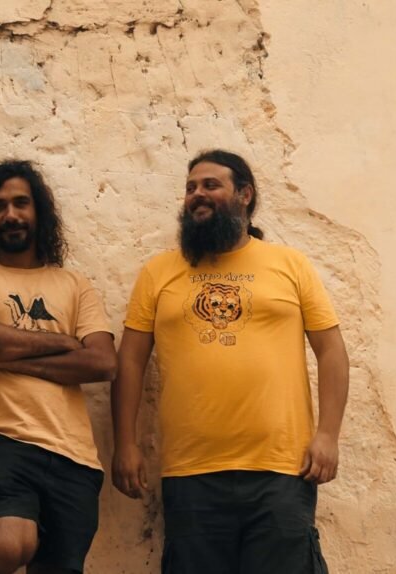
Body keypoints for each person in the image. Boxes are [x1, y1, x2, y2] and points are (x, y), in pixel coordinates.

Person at [112, 149, 350, 573]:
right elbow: (130, 361)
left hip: (282, 470)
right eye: (190, 188)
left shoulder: (289, 264)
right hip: (190, 473)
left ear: (245, 194)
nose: (197, 195)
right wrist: (125, 444)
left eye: (210, 185)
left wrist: (328, 435)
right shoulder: (158, 272)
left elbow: (331, 350)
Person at [0, 160, 117, 574]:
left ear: (39, 212)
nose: (11, 214)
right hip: (2, 439)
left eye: (21, 203)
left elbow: (103, 362)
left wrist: (8, 355)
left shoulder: (73, 284)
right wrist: (63, 344)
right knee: (4, 548)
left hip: (74, 454)